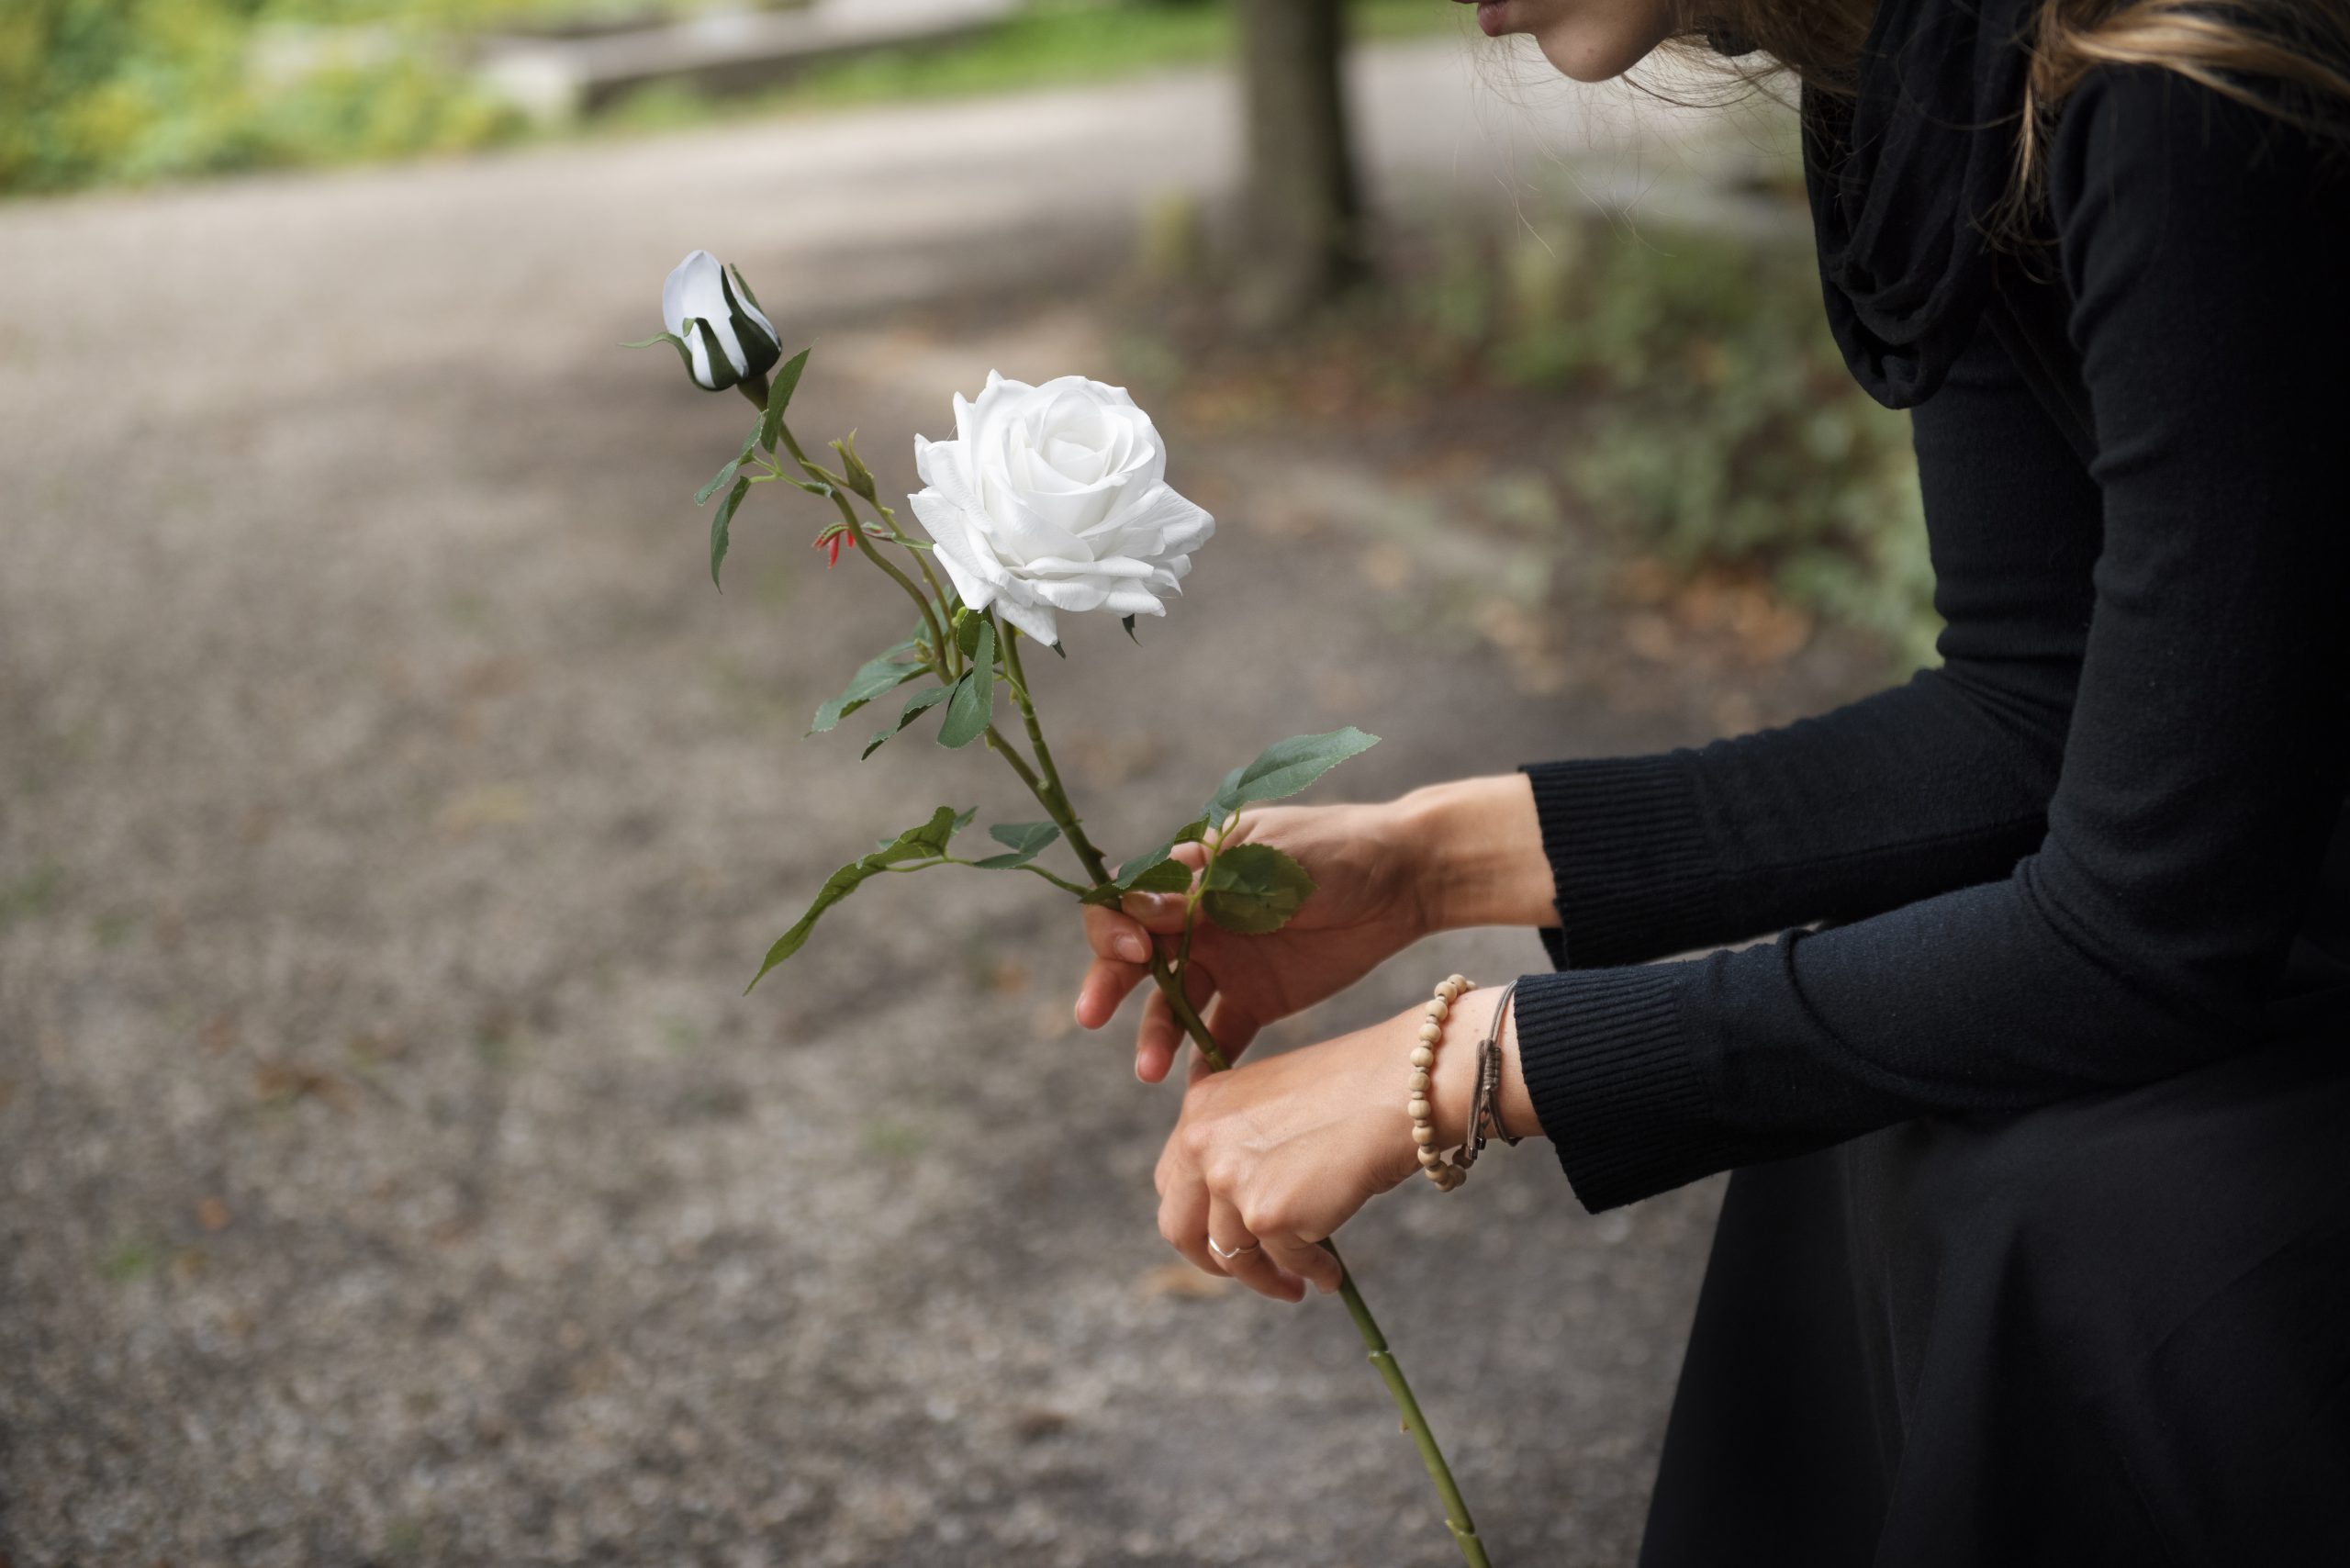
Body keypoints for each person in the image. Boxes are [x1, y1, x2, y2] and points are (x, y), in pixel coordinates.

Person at [1070, 0, 2350, 1560]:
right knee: (1875, 1117)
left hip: (2256, 910)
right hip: (2264, 882)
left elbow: (2150, 928)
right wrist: (1428, 864)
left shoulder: (2166, 67)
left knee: (2059, 1205)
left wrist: (1476, 1063)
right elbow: (2035, 705)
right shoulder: (1920, 68)